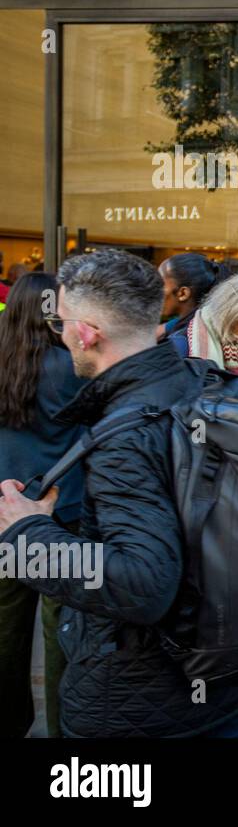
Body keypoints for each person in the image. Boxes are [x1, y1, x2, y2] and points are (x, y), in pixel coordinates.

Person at [0, 249, 238, 737]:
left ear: (86, 333)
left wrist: (28, 532)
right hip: (229, 673)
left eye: (64, 322)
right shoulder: (206, 385)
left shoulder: (126, 436)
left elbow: (142, 585)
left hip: (145, 699)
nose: (61, 333)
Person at [0, 272, 86, 737]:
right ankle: (63, 731)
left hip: (4, 514)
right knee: (62, 636)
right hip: (62, 516)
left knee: (4, 633)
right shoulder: (71, 366)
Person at [156, 252, 230, 342]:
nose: (154, 290)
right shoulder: (204, 324)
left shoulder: (181, 342)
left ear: (183, 293)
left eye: (159, 284)